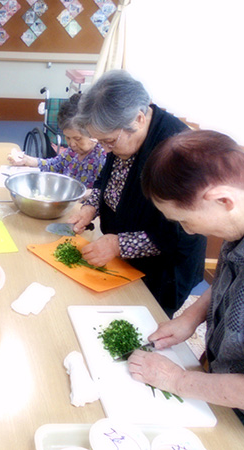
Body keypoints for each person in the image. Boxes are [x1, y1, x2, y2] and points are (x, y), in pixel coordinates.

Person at [131, 129, 244, 447]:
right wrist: (192, 317)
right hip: (225, 379)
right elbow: (242, 278)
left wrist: (179, 380)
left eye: (185, 220)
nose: (187, 230)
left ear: (223, 199)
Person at [68, 70, 206, 316]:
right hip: (124, 257)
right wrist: (92, 205)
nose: (106, 150)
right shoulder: (121, 137)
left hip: (163, 270)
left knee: (145, 320)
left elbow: (179, 234)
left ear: (140, 118)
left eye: (109, 141)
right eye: (100, 142)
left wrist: (119, 244)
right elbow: (107, 178)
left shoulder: (178, 153)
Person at [7, 93, 107, 189]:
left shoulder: (102, 158)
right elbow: (54, 165)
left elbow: (99, 193)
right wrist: (28, 160)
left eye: (77, 139)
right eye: (67, 137)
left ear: (94, 133)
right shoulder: (72, 152)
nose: (71, 144)